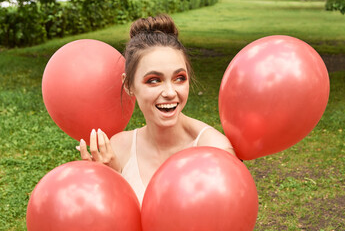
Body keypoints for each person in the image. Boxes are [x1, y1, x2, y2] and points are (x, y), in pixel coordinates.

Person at [76, 14, 235, 204]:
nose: (170, 92)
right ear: (128, 85)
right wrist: (110, 179)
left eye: (179, 78)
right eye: (154, 80)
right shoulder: (118, 148)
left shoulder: (215, 150)